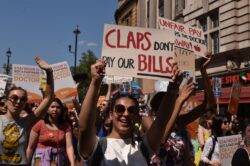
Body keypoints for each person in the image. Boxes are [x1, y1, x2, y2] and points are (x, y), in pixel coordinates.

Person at [78, 60, 192, 166]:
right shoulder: (96, 146)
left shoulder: (143, 148)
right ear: (111, 114)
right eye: (120, 109)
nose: (126, 114)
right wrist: (95, 82)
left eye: (131, 110)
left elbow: (161, 122)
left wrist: (173, 88)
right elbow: (84, 127)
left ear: (137, 117)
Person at [0, 56, 54, 165]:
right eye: (14, 98)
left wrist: (49, 72)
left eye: (23, 99)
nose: (18, 102)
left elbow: (48, 98)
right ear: (5, 101)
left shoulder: (26, 122)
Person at [26, 98, 75, 166]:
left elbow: (69, 146)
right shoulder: (39, 124)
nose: (55, 109)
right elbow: (30, 147)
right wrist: (26, 163)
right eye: (52, 107)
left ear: (61, 110)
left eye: (58, 107)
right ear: (47, 109)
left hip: (59, 161)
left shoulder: (66, 126)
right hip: (41, 161)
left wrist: (72, 163)